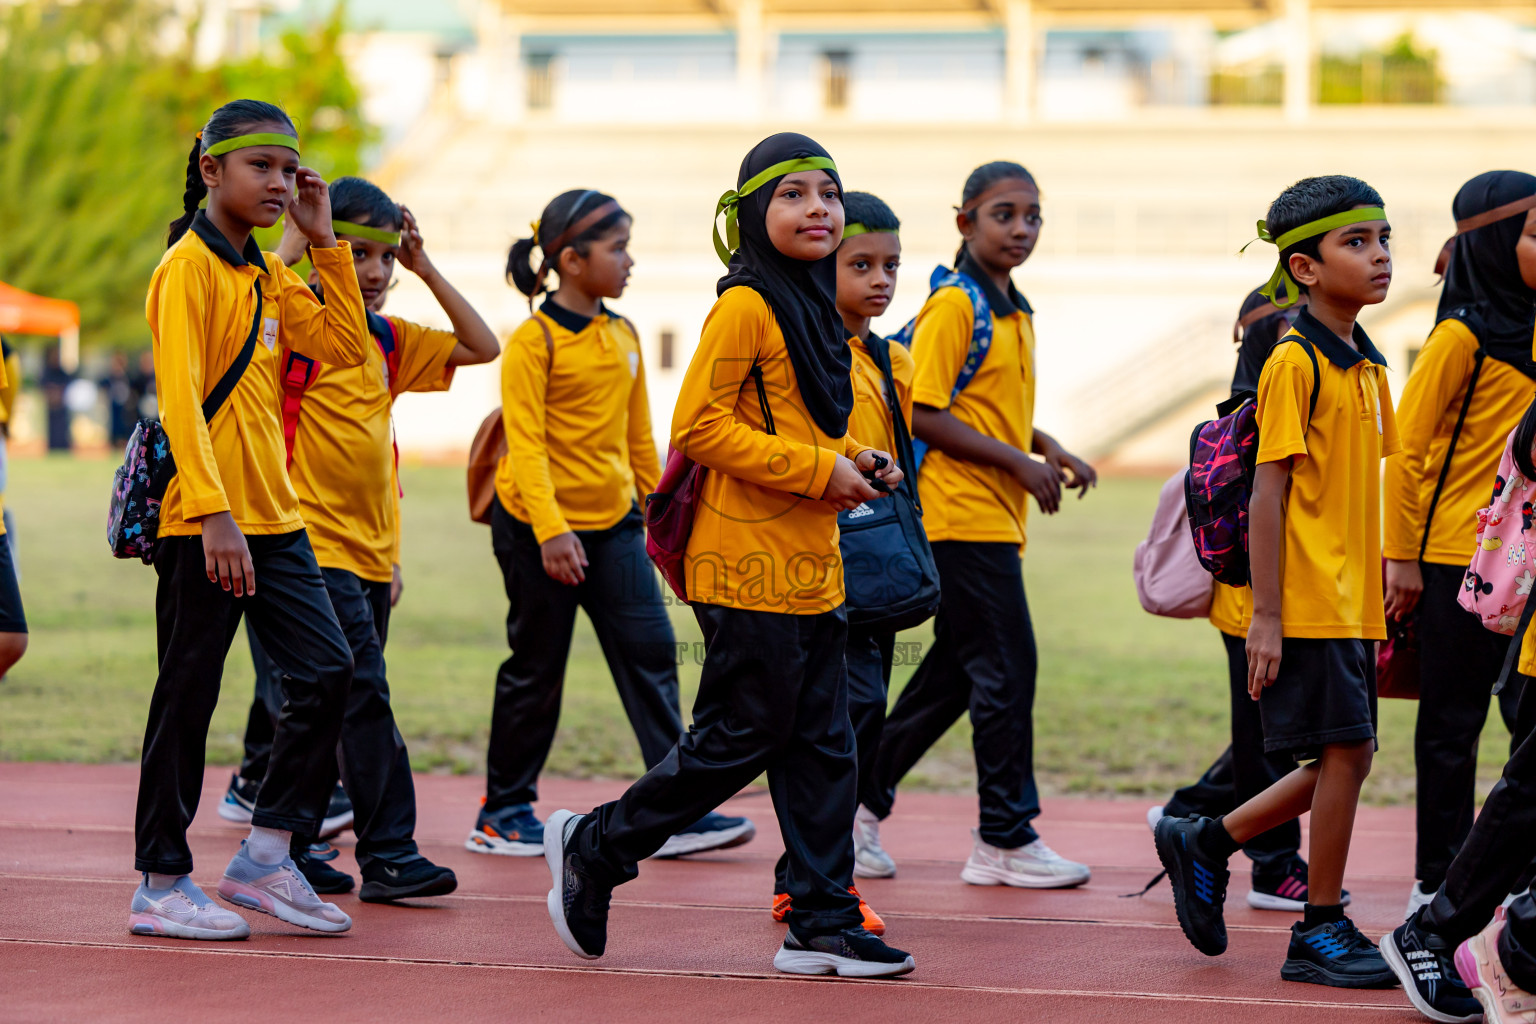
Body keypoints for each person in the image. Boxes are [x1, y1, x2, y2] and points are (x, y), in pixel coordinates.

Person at [541, 133, 914, 978]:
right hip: (745, 560)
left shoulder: (812, 306)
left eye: (829, 192)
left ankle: (820, 919)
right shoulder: (745, 304)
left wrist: (857, 454)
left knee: (826, 743)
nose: (818, 208)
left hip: (810, 560)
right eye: (793, 195)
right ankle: (597, 847)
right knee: (741, 736)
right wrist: (825, 469)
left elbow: (799, 420)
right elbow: (700, 428)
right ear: (750, 213)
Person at [129, 99, 368, 941]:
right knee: (187, 698)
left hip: (276, 517)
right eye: (260, 167)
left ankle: (268, 855)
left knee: (329, 672)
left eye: (288, 168)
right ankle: (160, 883)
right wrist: (215, 512)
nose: (278, 183)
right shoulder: (186, 271)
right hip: (208, 522)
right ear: (211, 171)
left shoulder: (267, 272)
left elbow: (345, 347)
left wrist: (326, 237)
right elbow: (181, 404)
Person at [221, 176, 498, 900]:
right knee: (365, 699)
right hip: (312, 548)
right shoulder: (292, 325)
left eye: (385, 259)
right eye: (357, 253)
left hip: (373, 557)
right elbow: (251, 305)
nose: (374, 273)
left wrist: (428, 266)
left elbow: (482, 345)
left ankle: (290, 844)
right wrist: (301, 236)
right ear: (321, 249)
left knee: (331, 706)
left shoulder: (386, 339)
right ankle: (390, 854)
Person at [1155, 175, 1400, 988]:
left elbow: (1368, 484)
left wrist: (1386, 583)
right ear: (1303, 268)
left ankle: (1208, 839)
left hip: (1351, 599)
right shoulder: (1295, 360)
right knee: (1346, 754)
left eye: (1384, 240)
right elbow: (1270, 489)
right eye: (1355, 244)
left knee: (1347, 757)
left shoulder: (1366, 361)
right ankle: (1318, 927)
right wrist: (1266, 614)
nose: (1379, 257)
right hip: (1307, 596)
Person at [469, 188, 753, 861]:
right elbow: (528, 446)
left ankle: (674, 809)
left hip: (614, 525)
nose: (629, 261)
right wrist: (551, 532)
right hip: (536, 526)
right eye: (617, 248)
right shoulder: (532, 343)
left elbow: (637, 439)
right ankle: (503, 810)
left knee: (653, 653)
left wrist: (663, 518)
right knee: (537, 669)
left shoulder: (622, 334)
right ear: (570, 259)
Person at [861, 160, 1098, 888]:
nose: (1021, 229)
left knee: (955, 679)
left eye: (1032, 216)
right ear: (964, 221)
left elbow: (987, 405)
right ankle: (1004, 836)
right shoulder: (954, 305)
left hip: (993, 515)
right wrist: (1016, 464)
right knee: (1007, 667)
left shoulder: (1011, 308)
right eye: (1004, 214)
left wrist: (1045, 445)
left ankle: (854, 807)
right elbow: (922, 409)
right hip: (957, 516)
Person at [1379, 176, 1536, 1024]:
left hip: (1527, 569)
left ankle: (1490, 893)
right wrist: (1400, 557)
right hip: (1450, 560)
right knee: (1449, 728)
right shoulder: (1460, 335)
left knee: (1522, 732)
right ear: (1490, 242)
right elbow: (1407, 455)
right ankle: (1432, 886)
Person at [1144, 289, 1321, 914]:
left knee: (1274, 732)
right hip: (1256, 600)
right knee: (1268, 736)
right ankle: (1272, 865)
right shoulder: (1245, 427)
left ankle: (1188, 810)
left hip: (1307, 590)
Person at [770, 190, 910, 934]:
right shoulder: (810, 348)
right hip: (817, 560)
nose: (880, 279)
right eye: (861, 264)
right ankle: (813, 880)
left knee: (864, 712)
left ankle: (809, 876)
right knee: (833, 719)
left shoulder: (893, 360)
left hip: (876, 562)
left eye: (891, 264)